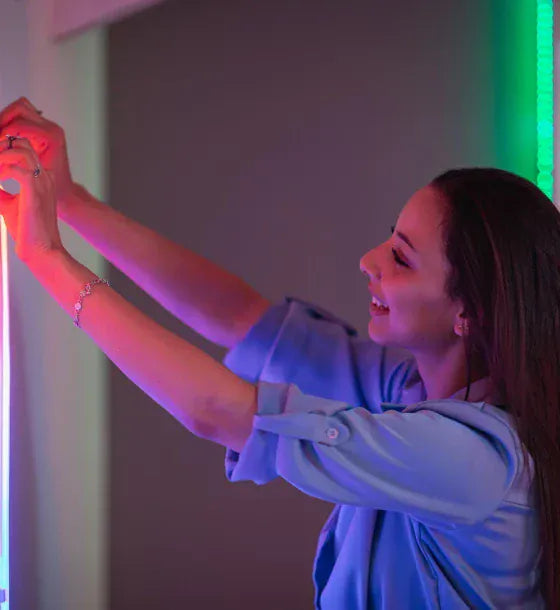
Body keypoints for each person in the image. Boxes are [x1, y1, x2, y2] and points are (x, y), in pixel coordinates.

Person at [0, 96, 556, 609]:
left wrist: (47, 258)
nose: (369, 260)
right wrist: (69, 201)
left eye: (402, 259)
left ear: (470, 313)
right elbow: (241, 319)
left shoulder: (473, 461)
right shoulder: (408, 389)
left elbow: (218, 410)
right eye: (390, 240)